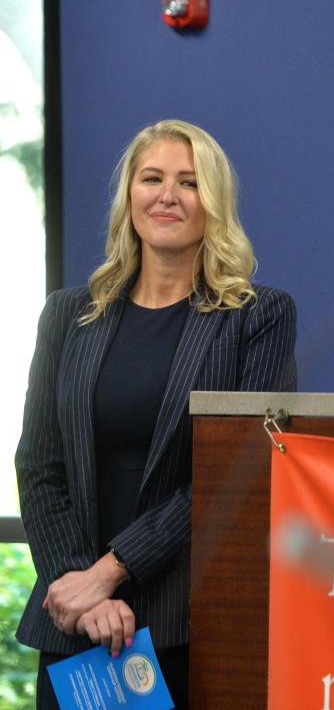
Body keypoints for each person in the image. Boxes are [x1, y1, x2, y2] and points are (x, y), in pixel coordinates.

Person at [15, 120, 297, 708]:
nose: (167, 195)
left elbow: (240, 473)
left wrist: (113, 570)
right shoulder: (68, 316)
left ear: (213, 203)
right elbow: (39, 465)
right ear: (129, 197)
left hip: (191, 622)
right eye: (152, 178)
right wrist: (83, 586)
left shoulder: (257, 317)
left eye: (189, 183)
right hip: (75, 629)